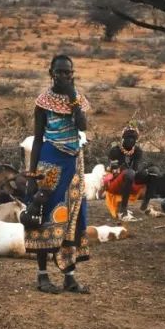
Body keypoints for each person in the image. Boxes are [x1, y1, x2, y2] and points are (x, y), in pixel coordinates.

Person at [24, 54, 92, 294]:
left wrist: (73, 97)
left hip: (75, 163)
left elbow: (82, 126)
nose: (64, 76)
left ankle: (69, 276)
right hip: (50, 161)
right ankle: (42, 276)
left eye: (68, 72)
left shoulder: (78, 99)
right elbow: (38, 138)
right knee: (45, 216)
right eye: (60, 72)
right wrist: (32, 176)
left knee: (74, 216)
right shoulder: (43, 102)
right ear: (50, 72)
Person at [104, 124, 144, 222]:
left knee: (150, 172)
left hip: (129, 180)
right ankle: (123, 211)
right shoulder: (115, 151)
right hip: (113, 184)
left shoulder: (137, 151)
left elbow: (136, 169)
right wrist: (123, 169)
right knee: (129, 173)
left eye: (133, 138)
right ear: (123, 139)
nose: (131, 140)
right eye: (128, 138)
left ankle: (146, 206)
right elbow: (112, 171)